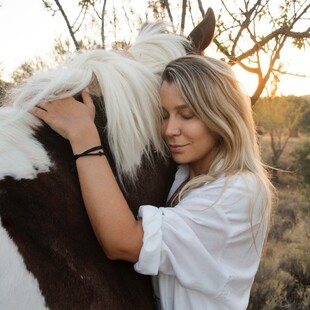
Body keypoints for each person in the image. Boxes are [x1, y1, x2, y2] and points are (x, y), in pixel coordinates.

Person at [31, 54, 276, 310]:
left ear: (222, 117)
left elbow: (123, 242)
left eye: (187, 115)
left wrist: (83, 136)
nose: (170, 129)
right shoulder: (187, 173)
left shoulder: (239, 192)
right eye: (164, 115)